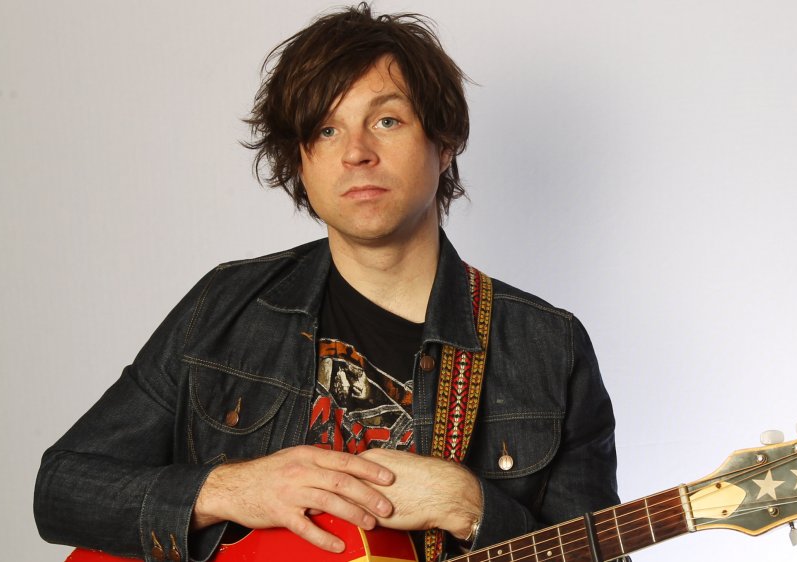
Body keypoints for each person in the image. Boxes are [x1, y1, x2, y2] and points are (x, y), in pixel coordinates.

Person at [34, 4, 621, 561]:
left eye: (387, 120)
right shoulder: (227, 307)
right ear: (300, 160)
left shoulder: (548, 346)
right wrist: (234, 490)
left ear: (444, 144)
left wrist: (469, 506)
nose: (357, 153)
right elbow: (61, 488)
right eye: (326, 130)